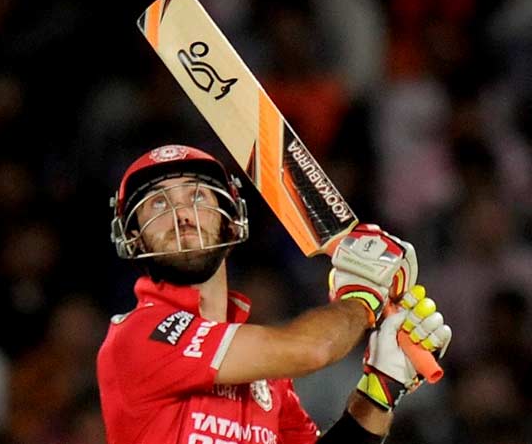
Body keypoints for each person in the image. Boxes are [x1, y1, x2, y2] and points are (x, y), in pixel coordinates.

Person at [97, 144, 452, 444]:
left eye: (197, 195)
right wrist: (364, 295)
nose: (181, 215)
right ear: (133, 238)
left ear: (231, 222)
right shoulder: (137, 336)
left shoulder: (266, 371)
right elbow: (313, 349)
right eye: (158, 203)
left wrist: (380, 390)